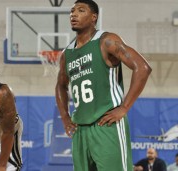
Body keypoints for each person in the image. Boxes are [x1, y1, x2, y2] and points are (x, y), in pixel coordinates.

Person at [55, 0, 152, 171]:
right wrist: (64, 117)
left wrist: (124, 107)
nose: (73, 14)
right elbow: (61, 85)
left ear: (94, 17)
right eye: (72, 11)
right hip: (80, 129)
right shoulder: (67, 53)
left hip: (106, 124)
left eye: (80, 10)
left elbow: (143, 68)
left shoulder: (106, 41)